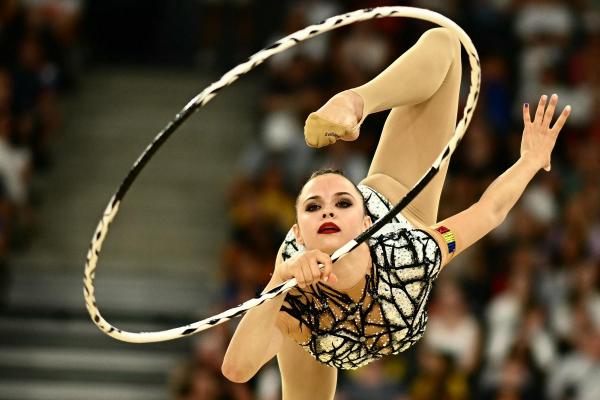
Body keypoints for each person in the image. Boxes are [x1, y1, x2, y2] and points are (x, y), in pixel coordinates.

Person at [221, 27, 571, 399]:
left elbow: (489, 211)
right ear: (299, 230)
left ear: (367, 219)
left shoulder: (411, 251)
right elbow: (237, 368)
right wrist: (278, 281)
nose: (328, 211)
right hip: (319, 329)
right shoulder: (295, 292)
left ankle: (355, 102)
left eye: (343, 202)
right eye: (313, 207)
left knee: (445, 42)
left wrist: (531, 161)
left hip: (402, 202)